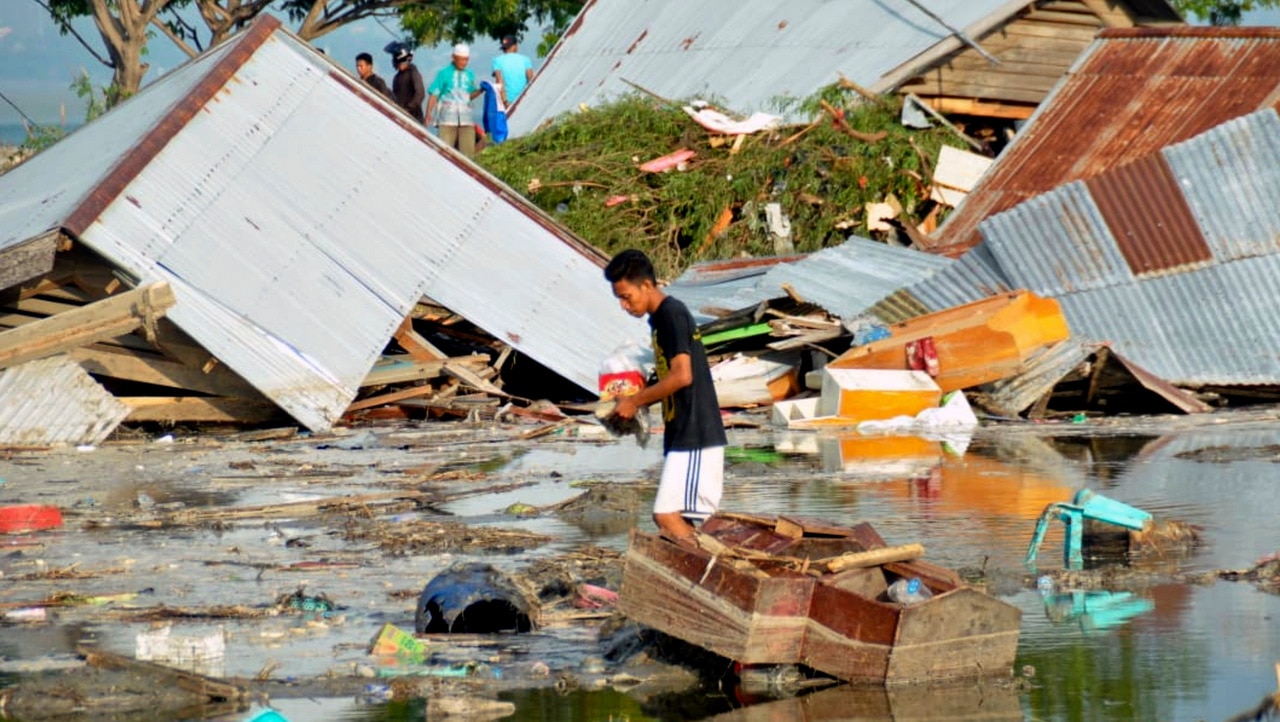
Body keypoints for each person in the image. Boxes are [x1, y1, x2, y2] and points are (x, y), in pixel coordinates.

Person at [604, 250, 727, 548]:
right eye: (619, 299)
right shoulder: (659, 320)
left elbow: (683, 376)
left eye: (627, 296)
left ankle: (711, 577)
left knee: (666, 515)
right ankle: (704, 575)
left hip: (696, 431)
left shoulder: (672, 314)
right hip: (683, 431)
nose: (624, 305)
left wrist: (635, 402)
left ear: (647, 285)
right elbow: (671, 376)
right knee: (678, 519)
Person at [426, 44, 483, 157]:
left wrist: (481, 90)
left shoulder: (469, 74)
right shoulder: (443, 74)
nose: (464, 63)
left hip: (466, 120)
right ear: (453, 58)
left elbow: (469, 95)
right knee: (444, 153)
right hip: (447, 119)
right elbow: (434, 94)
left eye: (466, 60)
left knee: (468, 155)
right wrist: (428, 113)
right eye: (461, 59)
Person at [491, 35, 535, 106]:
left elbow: (499, 82)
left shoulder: (497, 60)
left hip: (507, 102)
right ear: (515, 46)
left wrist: (505, 102)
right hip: (524, 101)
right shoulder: (526, 60)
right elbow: (531, 81)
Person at [390, 46, 425, 122]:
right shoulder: (397, 77)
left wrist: (408, 108)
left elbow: (420, 93)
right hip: (400, 115)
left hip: (413, 117)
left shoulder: (413, 72)